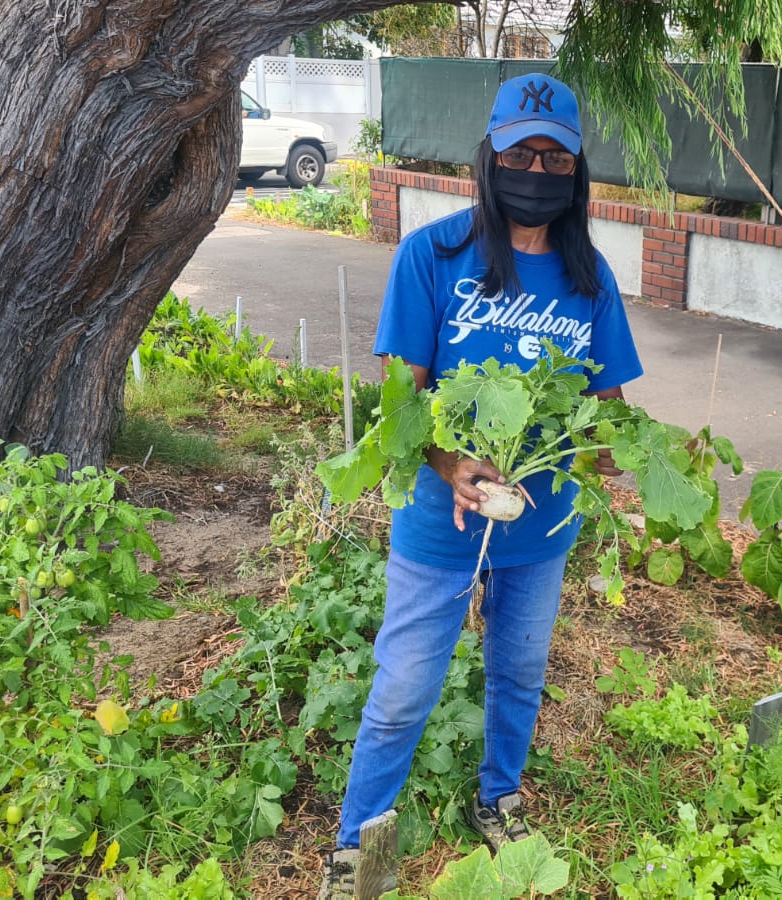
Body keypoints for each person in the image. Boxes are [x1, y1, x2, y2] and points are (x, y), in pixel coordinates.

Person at [318, 73, 644, 899]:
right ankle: (358, 842)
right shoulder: (433, 256)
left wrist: (621, 458)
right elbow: (404, 402)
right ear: (489, 157)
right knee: (401, 691)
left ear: (575, 173)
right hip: (443, 524)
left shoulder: (590, 277)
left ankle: (498, 799)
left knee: (520, 675)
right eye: (521, 151)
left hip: (541, 526)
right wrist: (452, 467)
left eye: (555, 156)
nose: (537, 168)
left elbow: (609, 405)